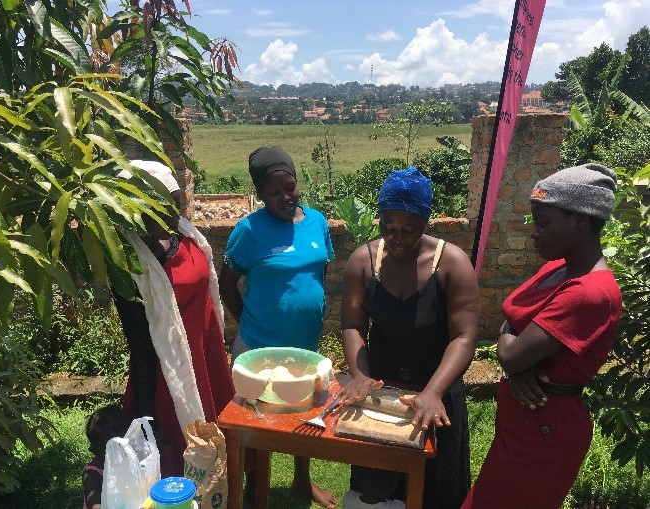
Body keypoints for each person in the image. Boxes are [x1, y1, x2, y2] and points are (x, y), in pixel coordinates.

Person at [460, 163, 623, 509]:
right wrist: (515, 356)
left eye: (544, 223)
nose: (535, 232)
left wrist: (513, 355)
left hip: (546, 428)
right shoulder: (558, 268)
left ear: (580, 220)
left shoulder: (590, 292)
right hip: (524, 420)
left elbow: (511, 351)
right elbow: (513, 326)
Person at [338, 166, 480, 509]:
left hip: (436, 396)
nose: (398, 237)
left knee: (436, 492)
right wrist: (360, 376)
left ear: (426, 223)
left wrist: (433, 392)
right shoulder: (364, 262)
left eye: (409, 229)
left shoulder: (452, 265)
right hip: (381, 397)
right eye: (389, 227)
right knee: (378, 491)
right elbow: (353, 325)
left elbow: (464, 336)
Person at [218, 146, 338, 509]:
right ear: (261, 195)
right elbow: (227, 284)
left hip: (305, 346)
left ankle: (303, 481)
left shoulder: (316, 222)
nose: (286, 197)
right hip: (258, 348)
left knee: (306, 414)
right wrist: (251, 325)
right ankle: (256, 491)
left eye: (291, 187)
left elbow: (319, 271)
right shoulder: (249, 231)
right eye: (275, 192)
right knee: (256, 423)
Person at [113, 159, 235, 476]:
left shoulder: (182, 234)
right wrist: (148, 420)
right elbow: (140, 348)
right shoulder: (132, 265)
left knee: (220, 442)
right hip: (171, 378)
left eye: (171, 202)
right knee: (180, 459)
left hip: (206, 359)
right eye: (153, 207)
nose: (168, 213)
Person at [82, 405, 133, 509]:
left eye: (122, 447)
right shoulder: (92, 474)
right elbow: (95, 505)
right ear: (94, 451)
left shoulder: (130, 463)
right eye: (109, 450)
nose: (118, 453)